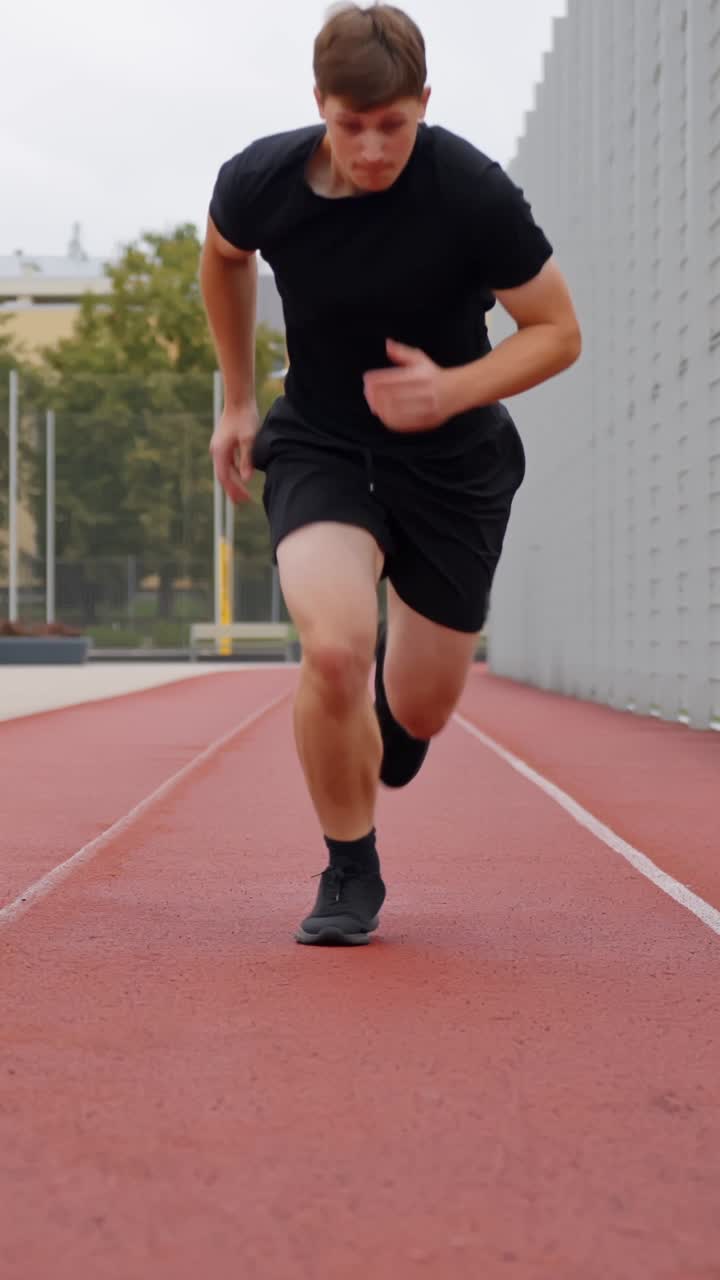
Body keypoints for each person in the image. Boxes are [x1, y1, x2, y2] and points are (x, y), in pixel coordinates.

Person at [200, 3, 581, 946]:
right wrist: (240, 399)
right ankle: (349, 866)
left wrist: (450, 390)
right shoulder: (262, 178)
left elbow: (557, 333)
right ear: (321, 106)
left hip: (454, 461)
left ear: (423, 104)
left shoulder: (470, 192)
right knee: (334, 649)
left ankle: (385, 727)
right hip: (325, 441)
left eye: (393, 126)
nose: (372, 149)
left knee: (417, 710)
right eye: (350, 125)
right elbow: (224, 257)